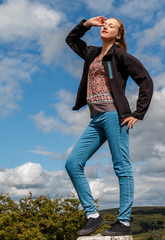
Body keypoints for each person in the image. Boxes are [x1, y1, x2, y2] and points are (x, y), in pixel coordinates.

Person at [65, 16, 153, 236]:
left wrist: (138, 113)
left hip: (114, 116)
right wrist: (87, 24)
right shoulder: (92, 53)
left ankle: (123, 222)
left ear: (119, 34)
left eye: (111, 25)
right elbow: (71, 39)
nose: (105, 26)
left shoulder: (120, 55)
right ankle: (93, 216)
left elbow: (146, 81)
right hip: (96, 119)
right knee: (73, 163)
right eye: (105, 24)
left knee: (121, 167)